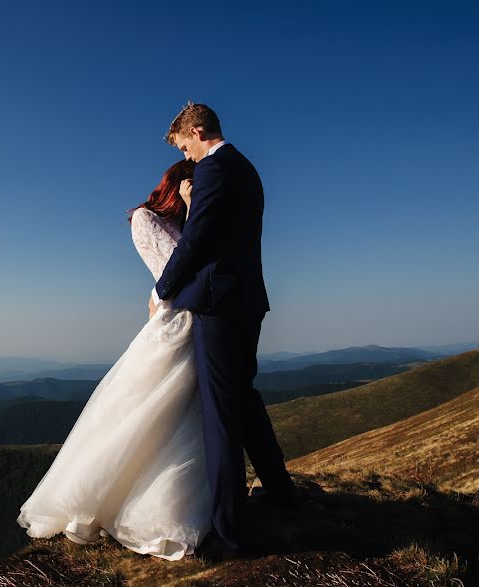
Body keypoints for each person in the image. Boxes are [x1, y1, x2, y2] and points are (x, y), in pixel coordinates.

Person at [16, 159, 213, 561]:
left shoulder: (188, 216)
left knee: (182, 415)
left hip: (193, 318)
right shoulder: (145, 217)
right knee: (145, 410)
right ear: (177, 184)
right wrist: (192, 213)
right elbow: (178, 263)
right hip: (177, 321)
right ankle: (102, 502)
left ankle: (181, 508)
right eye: (194, 183)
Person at [152, 102, 298, 557]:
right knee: (244, 397)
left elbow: (198, 241)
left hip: (218, 303)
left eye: (186, 147)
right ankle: (279, 491)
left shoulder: (216, 168)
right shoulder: (247, 170)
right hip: (248, 298)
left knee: (220, 414)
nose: (188, 157)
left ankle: (231, 532)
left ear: (198, 131)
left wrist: (163, 287)